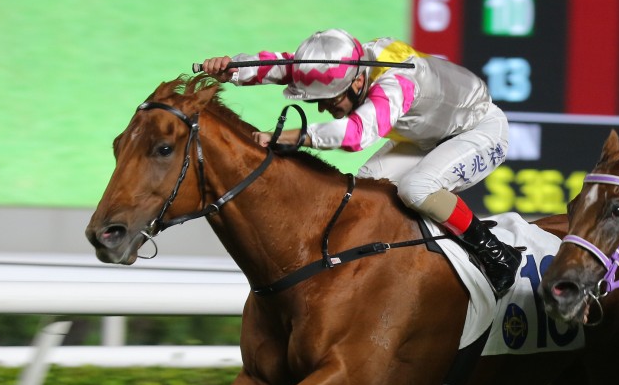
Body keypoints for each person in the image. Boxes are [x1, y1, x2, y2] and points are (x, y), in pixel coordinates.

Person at [200, 29, 520, 297]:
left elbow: (356, 136)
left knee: (417, 188)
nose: (324, 109)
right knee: (365, 189)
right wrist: (234, 69)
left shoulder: (397, 82)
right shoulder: (345, 64)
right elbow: (285, 65)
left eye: (330, 100)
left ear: (356, 84)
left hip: (479, 131)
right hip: (427, 136)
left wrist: (292, 136)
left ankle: (496, 252)